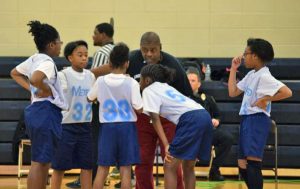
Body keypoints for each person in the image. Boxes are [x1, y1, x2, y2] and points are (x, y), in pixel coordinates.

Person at [125, 32, 192, 189]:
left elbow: (187, 94)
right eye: (145, 50)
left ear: (160, 48)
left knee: (171, 159)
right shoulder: (131, 60)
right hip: (142, 116)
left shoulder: (173, 64)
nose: (149, 54)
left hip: (167, 118)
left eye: (153, 50)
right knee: (142, 160)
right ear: (140, 48)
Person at [228, 38, 292, 189]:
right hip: (246, 119)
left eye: (246, 53)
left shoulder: (264, 76)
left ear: (255, 56)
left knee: (253, 162)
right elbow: (233, 92)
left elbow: (287, 92)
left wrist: (267, 99)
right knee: (242, 163)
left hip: (257, 119)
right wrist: (233, 69)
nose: (243, 56)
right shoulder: (252, 74)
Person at [10, 20, 67, 189]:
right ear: (51, 44)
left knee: (41, 161)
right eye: (59, 42)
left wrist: (32, 90)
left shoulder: (34, 58)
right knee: (39, 162)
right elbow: (35, 78)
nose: (60, 45)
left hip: (37, 111)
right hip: (46, 111)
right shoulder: (48, 63)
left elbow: (15, 73)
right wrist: (41, 88)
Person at [139, 64, 213, 189]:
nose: (139, 82)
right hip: (204, 115)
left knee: (169, 165)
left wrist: (166, 144)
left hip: (190, 119)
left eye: (140, 79)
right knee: (188, 166)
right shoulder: (166, 87)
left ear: (146, 80)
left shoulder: (148, 90)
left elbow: (155, 119)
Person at [88, 43, 143, 189]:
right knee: (125, 170)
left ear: (110, 63)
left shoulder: (100, 81)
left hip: (107, 128)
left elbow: (89, 98)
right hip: (127, 128)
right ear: (127, 63)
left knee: (102, 168)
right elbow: (139, 108)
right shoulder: (132, 82)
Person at [66, 22, 115, 189]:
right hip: (112, 108)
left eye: (95, 33)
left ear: (103, 34)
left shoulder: (102, 52)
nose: (93, 36)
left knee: (93, 144)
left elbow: (91, 79)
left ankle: (91, 179)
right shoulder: (114, 51)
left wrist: (82, 75)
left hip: (97, 105)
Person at [50, 40, 95, 189]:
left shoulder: (90, 76)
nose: (84, 58)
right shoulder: (63, 75)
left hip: (85, 126)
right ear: (70, 58)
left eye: (86, 55)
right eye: (80, 55)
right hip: (66, 126)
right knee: (59, 166)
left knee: (87, 166)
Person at [186, 67, 234, 181]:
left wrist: (216, 120)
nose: (190, 83)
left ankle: (214, 170)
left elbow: (218, 115)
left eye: (193, 80)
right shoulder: (181, 98)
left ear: (199, 83)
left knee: (227, 138)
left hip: (206, 133)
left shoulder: (207, 99)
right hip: (187, 133)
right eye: (188, 80)